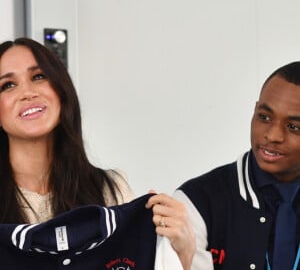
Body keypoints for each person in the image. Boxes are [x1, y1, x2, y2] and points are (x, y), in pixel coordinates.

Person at [0, 38, 195, 269]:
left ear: (61, 90)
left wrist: (183, 251)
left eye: (39, 76)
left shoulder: (111, 189)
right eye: (8, 85)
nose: (28, 92)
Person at [154, 61, 300, 269]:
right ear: (254, 110)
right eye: (264, 117)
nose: (272, 135)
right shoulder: (195, 202)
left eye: (293, 127)